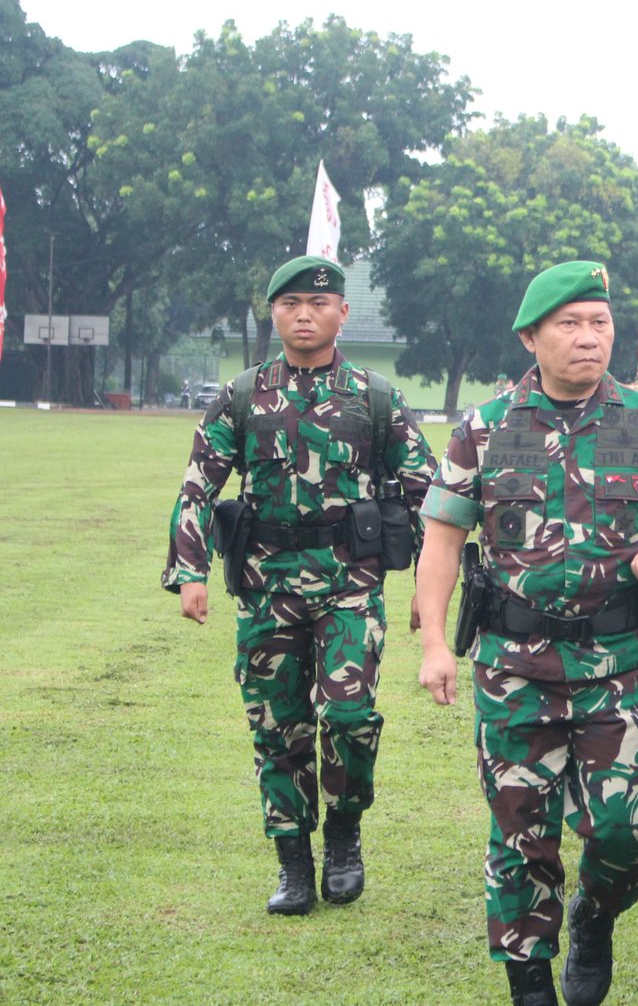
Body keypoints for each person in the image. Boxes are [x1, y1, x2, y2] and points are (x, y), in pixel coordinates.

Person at [413, 260, 638, 1006]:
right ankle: (529, 981)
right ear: (532, 336)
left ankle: (595, 915)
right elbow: (440, 541)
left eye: (599, 321)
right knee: (520, 832)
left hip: (620, 663)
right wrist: (436, 642)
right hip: (515, 666)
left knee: (628, 829)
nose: (588, 337)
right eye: (569, 323)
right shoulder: (486, 428)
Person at [162, 254, 436, 916]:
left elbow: (431, 495)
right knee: (277, 726)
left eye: (319, 304)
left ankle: (344, 831)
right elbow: (200, 484)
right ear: (274, 313)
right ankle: (292, 863)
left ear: (343, 312)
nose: (304, 314)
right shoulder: (241, 395)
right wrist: (190, 571)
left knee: (347, 716)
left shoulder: (374, 397)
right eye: (290, 304)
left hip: (350, 584)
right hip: (265, 586)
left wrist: (430, 592)